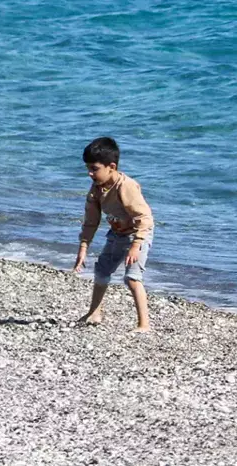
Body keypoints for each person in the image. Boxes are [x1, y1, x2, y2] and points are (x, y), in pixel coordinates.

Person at [73, 137, 154, 332]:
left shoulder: (125, 186)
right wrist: (83, 247)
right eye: (88, 169)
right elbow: (91, 221)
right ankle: (95, 312)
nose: (90, 173)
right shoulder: (96, 189)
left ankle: (144, 324)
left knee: (132, 277)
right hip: (117, 233)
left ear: (111, 166)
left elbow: (145, 217)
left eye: (94, 169)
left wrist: (136, 245)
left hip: (138, 233)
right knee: (101, 271)